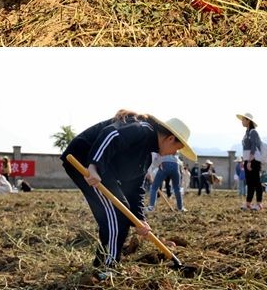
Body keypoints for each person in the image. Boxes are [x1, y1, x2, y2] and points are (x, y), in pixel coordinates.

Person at [61, 109, 195, 280]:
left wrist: (139, 219)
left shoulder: (146, 155)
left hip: (101, 167)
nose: (174, 153)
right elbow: (110, 135)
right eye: (177, 148)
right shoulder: (142, 129)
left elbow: (135, 187)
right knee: (117, 214)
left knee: (116, 214)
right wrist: (94, 165)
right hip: (83, 159)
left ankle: (103, 264)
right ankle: (107, 267)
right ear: (170, 139)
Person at [238, 113, 263, 211]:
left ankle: (259, 203)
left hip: (253, 161)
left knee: (256, 182)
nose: (242, 121)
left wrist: (249, 160)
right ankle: (248, 203)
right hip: (247, 160)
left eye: (243, 120)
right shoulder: (247, 133)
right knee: (250, 183)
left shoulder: (253, 132)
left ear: (248, 121)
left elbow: (253, 146)